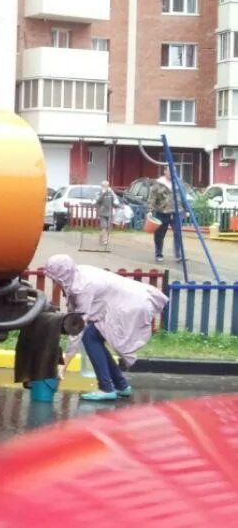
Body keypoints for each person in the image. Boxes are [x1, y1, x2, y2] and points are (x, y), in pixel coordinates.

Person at [44, 254, 168, 402]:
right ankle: (121, 385)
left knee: (89, 336)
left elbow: (78, 327)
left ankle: (106, 388)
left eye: (54, 277)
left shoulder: (83, 287)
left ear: (62, 275)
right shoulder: (76, 274)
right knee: (92, 336)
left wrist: (63, 366)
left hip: (130, 306)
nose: (53, 281)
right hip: (128, 301)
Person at [148, 171, 176, 263]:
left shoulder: (176, 183)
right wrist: (150, 210)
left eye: (174, 171)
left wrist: (185, 209)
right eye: (170, 171)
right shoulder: (159, 183)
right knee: (160, 235)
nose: (172, 173)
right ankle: (158, 253)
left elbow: (180, 197)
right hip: (161, 212)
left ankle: (178, 254)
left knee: (178, 233)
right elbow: (152, 197)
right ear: (165, 172)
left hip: (174, 212)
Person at [94, 180, 118, 246]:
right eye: (104, 186)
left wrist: (118, 205)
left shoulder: (111, 193)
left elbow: (114, 202)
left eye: (107, 186)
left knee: (108, 227)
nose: (105, 187)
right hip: (102, 213)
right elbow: (98, 201)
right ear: (101, 186)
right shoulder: (98, 193)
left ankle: (101, 236)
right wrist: (103, 193)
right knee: (104, 226)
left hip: (109, 213)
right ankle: (105, 240)